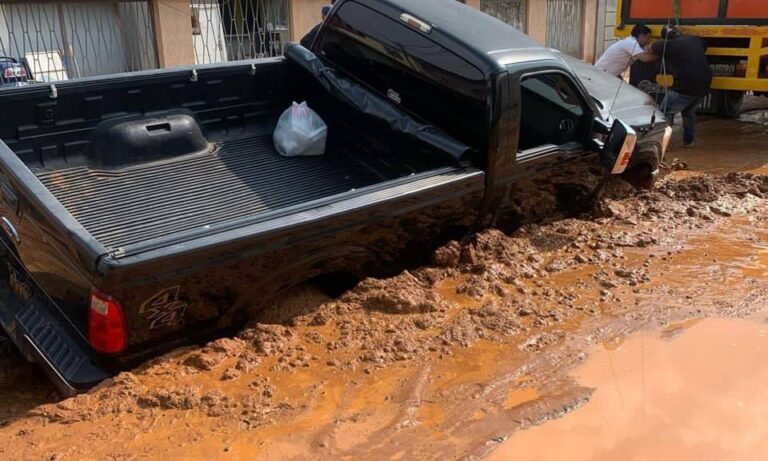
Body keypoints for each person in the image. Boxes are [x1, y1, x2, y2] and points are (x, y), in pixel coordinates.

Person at [650, 26, 712, 148]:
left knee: (664, 112)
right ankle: (689, 141)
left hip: (686, 86)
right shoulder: (695, 40)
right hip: (704, 84)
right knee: (688, 112)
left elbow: (652, 48)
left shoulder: (666, 45)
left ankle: (663, 144)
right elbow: (704, 45)